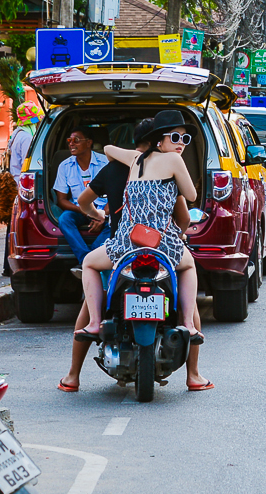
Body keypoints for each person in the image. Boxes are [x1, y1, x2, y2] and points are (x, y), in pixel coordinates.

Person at [60, 119, 205, 392]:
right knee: (189, 267)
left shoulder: (132, 161)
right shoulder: (173, 163)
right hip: (163, 243)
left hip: (126, 243)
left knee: (89, 263)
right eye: (175, 138)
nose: (180, 145)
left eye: (184, 140)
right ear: (158, 140)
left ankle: (89, 335)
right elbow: (191, 196)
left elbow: (110, 150)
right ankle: (189, 339)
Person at [53, 130, 109, 264]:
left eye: (76, 140)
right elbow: (61, 200)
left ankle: (90, 258)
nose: (71, 144)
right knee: (65, 219)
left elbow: (117, 196)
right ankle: (86, 259)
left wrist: (102, 216)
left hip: (105, 209)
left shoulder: (105, 163)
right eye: (69, 140)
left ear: (89, 143)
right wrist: (83, 211)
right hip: (80, 210)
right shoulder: (65, 166)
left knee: (117, 223)